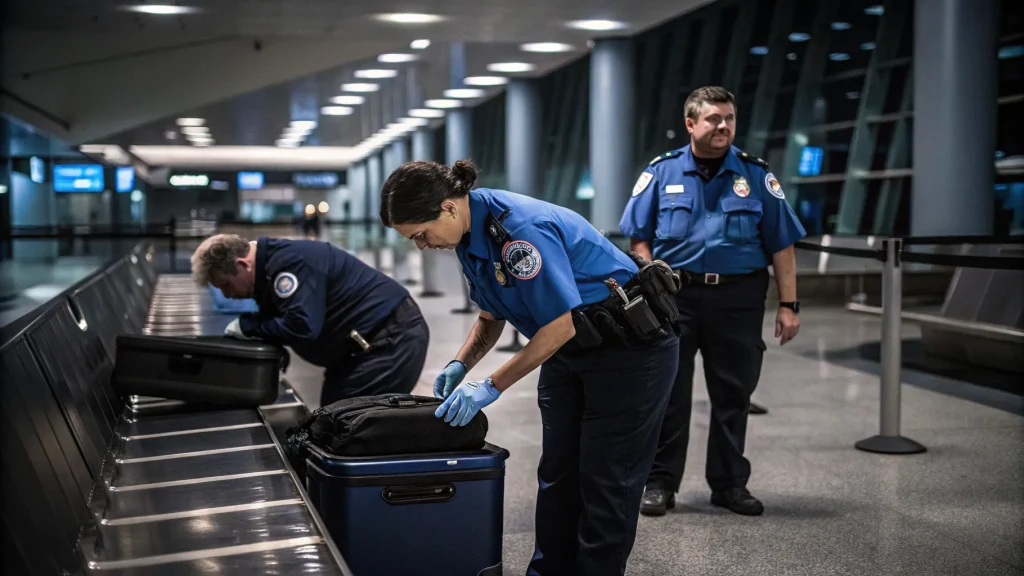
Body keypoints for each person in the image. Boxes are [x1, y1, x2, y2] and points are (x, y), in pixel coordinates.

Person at [379, 160, 680, 576]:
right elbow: (491, 314)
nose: (422, 246)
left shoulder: (521, 231)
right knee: (558, 474)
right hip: (573, 348)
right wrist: (459, 364)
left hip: (630, 352)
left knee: (608, 481)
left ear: (448, 208)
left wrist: (489, 385)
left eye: (421, 234)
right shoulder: (469, 236)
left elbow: (558, 326)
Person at [619, 86, 806, 517]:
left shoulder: (757, 176)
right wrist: (650, 282)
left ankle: (729, 484)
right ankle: (661, 483)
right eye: (713, 119)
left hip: (738, 298)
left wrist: (789, 304)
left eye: (729, 118)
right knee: (668, 394)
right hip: (675, 297)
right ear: (691, 124)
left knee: (733, 393)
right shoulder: (661, 173)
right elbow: (639, 239)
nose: (723, 126)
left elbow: (783, 247)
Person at [190, 233, 429, 406]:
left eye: (226, 285)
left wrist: (249, 326)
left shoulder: (289, 265)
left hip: (391, 340)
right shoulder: (272, 266)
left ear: (241, 265)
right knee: (337, 420)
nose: (227, 295)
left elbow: (302, 326)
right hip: (367, 346)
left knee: (345, 422)